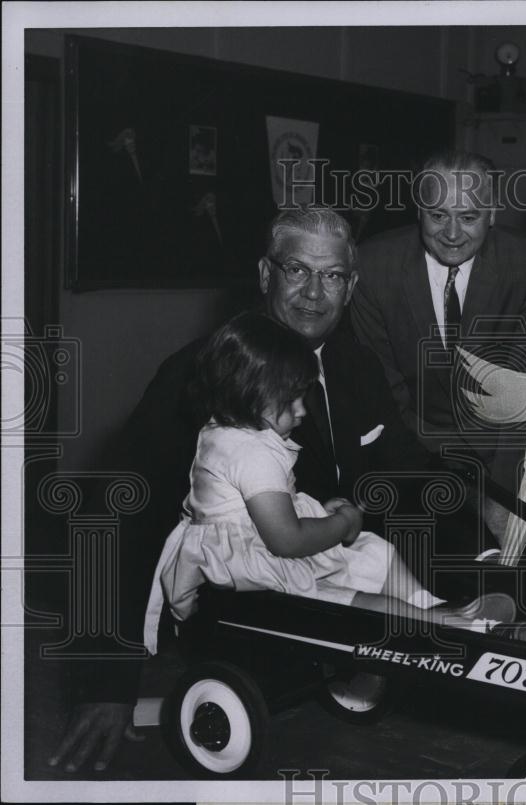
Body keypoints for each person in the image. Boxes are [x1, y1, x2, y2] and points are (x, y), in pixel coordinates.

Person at [48, 208, 438, 773]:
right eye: (297, 269)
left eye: (332, 276)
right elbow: (115, 511)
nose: (313, 293)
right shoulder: (201, 373)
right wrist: (104, 683)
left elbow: (404, 470)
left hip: (332, 622)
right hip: (235, 631)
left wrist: (483, 521)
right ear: (264, 274)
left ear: (351, 287)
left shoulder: (356, 365)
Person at [143, 312, 512, 651]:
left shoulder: (227, 428)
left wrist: (321, 512)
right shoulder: (253, 453)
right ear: (251, 396)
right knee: (350, 602)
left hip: (255, 543)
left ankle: (430, 606)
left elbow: (263, 504)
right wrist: (341, 524)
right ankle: (443, 623)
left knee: (375, 552)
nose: (302, 411)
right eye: (291, 402)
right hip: (247, 569)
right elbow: (286, 539)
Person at [351, 150, 526, 508]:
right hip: (413, 457)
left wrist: (505, 497)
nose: (452, 233)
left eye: (469, 216)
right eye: (438, 214)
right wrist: (438, 479)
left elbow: (524, 385)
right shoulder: (373, 265)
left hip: (503, 456)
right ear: (419, 210)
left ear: (492, 215)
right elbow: (385, 394)